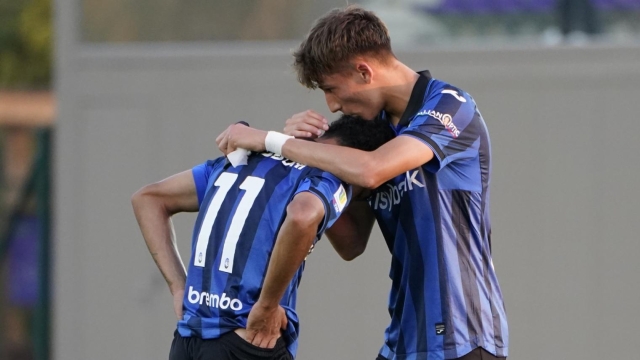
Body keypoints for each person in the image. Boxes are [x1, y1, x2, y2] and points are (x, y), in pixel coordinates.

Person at [215, 6, 508, 360]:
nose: (333, 105)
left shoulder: (450, 106)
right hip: (403, 338)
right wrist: (311, 153)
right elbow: (351, 242)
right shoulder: (372, 128)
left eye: (332, 89)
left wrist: (271, 140)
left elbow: (372, 170)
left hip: (462, 335)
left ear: (364, 71)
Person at [132, 115, 395, 360]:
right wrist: (268, 305)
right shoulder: (330, 177)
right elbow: (303, 216)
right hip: (248, 337)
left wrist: (179, 286)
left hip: (187, 339)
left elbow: (149, 199)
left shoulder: (243, 158)